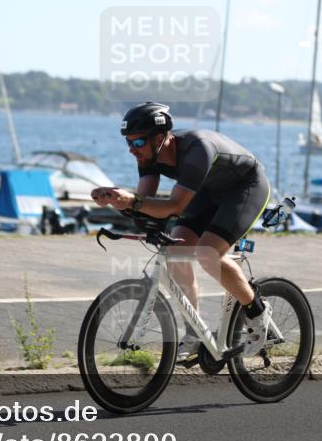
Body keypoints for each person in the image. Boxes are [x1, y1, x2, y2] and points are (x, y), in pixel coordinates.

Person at [91, 101, 273, 358]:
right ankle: (195, 333)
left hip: (245, 188)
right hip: (209, 191)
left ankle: (257, 313)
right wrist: (115, 200)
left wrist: (132, 201)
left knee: (208, 253)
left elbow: (174, 206)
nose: (133, 149)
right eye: (129, 143)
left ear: (161, 138)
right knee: (175, 251)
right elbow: (143, 204)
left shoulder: (197, 150)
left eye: (138, 142)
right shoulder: (147, 156)